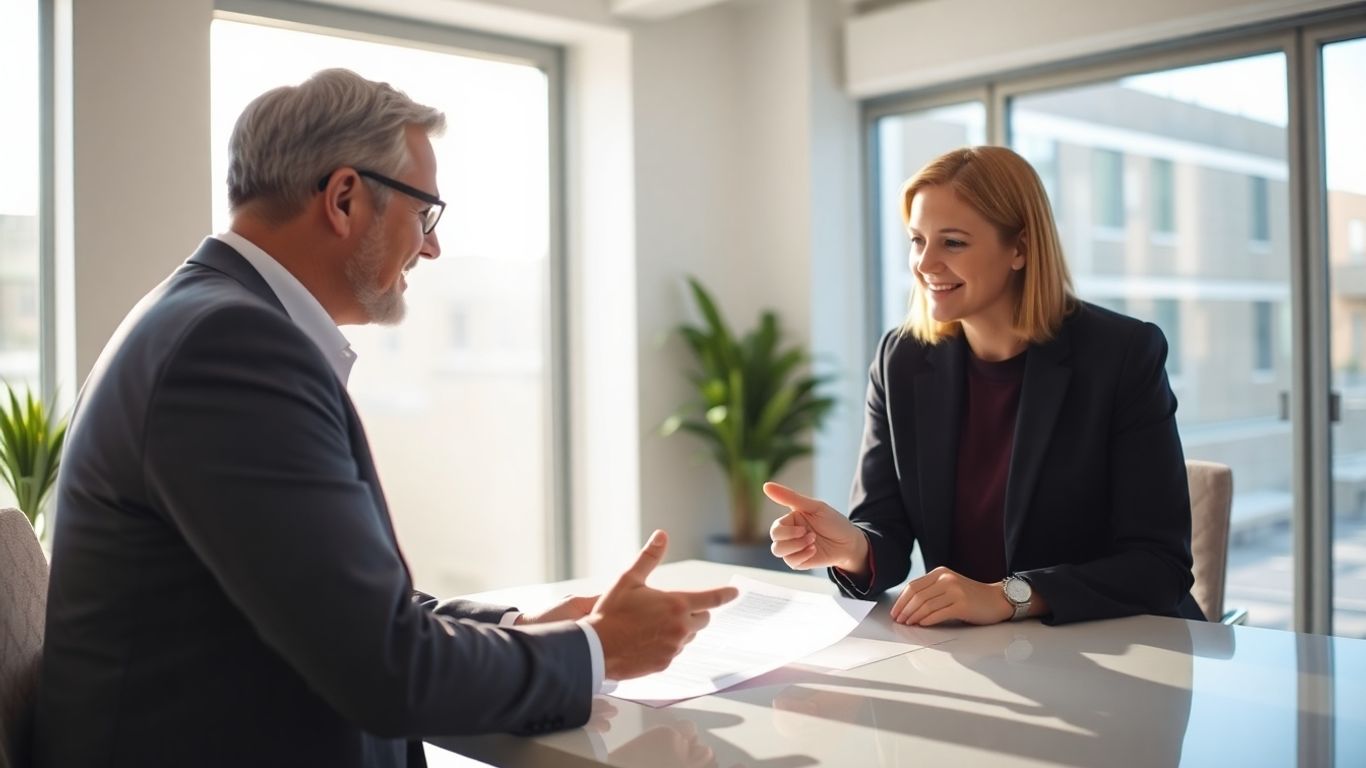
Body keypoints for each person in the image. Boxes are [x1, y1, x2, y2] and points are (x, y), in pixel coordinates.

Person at [34, 68, 737, 768]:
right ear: (344, 198)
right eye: (424, 212)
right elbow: (386, 668)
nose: (431, 246)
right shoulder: (232, 349)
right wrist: (597, 649)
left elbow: (344, 611)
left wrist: (530, 628)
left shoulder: (208, 320)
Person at [766, 145, 1202, 627]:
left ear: (1019, 248)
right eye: (917, 240)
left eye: (952, 242)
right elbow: (885, 529)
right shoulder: (902, 358)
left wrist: (1009, 596)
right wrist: (852, 546)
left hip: (1121, 649)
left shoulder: (1121, 354)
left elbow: (1158, 566)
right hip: (982, 654)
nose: (924, 264)